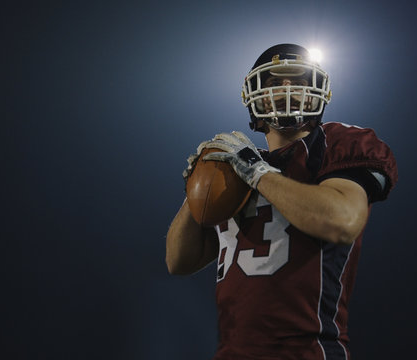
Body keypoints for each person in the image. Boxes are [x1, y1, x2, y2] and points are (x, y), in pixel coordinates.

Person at [166, 43, 398, 359]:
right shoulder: (239, 166)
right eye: (275, 83)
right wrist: (197, 188)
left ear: (318, 93)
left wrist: (258, 172)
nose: (288, 88)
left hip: (306, 351)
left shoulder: (335, 144)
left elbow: (342, 222)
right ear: (255, 96)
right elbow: (179, 261)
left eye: (300, 81)